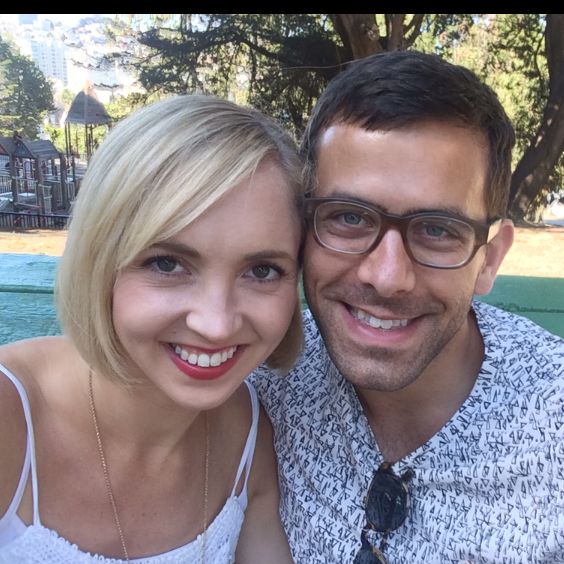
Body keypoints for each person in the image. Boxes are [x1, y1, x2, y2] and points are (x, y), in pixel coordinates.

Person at [251, 50, 564, 564]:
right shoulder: (265, 374)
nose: (387, 276)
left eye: (438, 230)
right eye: (348, 218)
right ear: (303, 229)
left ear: (489, 259)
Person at [0, 95, 303, 564]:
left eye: (262, 271)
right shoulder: (10, 420)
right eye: (167, 263)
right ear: (100, 262)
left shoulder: (248, 430)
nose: (217, 324)